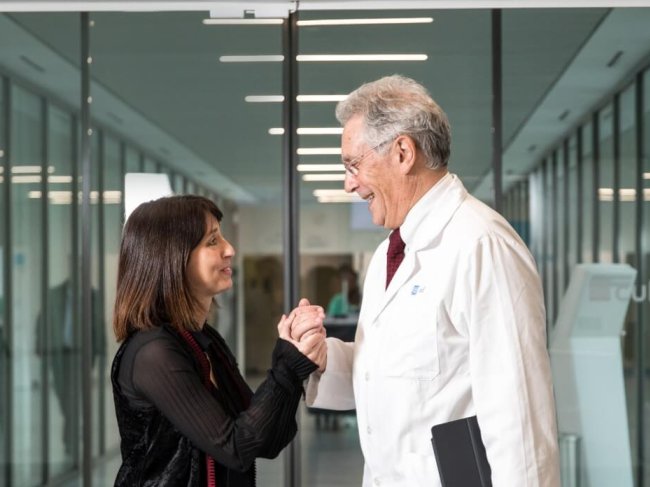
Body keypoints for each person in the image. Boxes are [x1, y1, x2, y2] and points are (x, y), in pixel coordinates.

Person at [297, 75, 560, 486]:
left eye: (353, 165)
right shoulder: (389, 254)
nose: (349, 183)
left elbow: (521, 418)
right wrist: (320, 357)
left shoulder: (481, 244)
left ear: (403, 153)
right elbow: (388, 375)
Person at [111, 195, 326, 487]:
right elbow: (235, 448)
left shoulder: (204, 340)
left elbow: (266, 439)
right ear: (172, 258)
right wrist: (288, 362)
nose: (230, 249)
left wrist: (296, 354)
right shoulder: (154, 352)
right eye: (212, 241)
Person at [35, 279, 106, 458]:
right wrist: (40, 346)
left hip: (82, 355)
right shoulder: (54, 294)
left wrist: (101, 349)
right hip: (59, 354)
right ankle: (71, 429)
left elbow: (99, 323)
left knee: (75, 396)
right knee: (62, 395)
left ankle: (70, 439)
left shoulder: (93, 296)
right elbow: (41, 321)